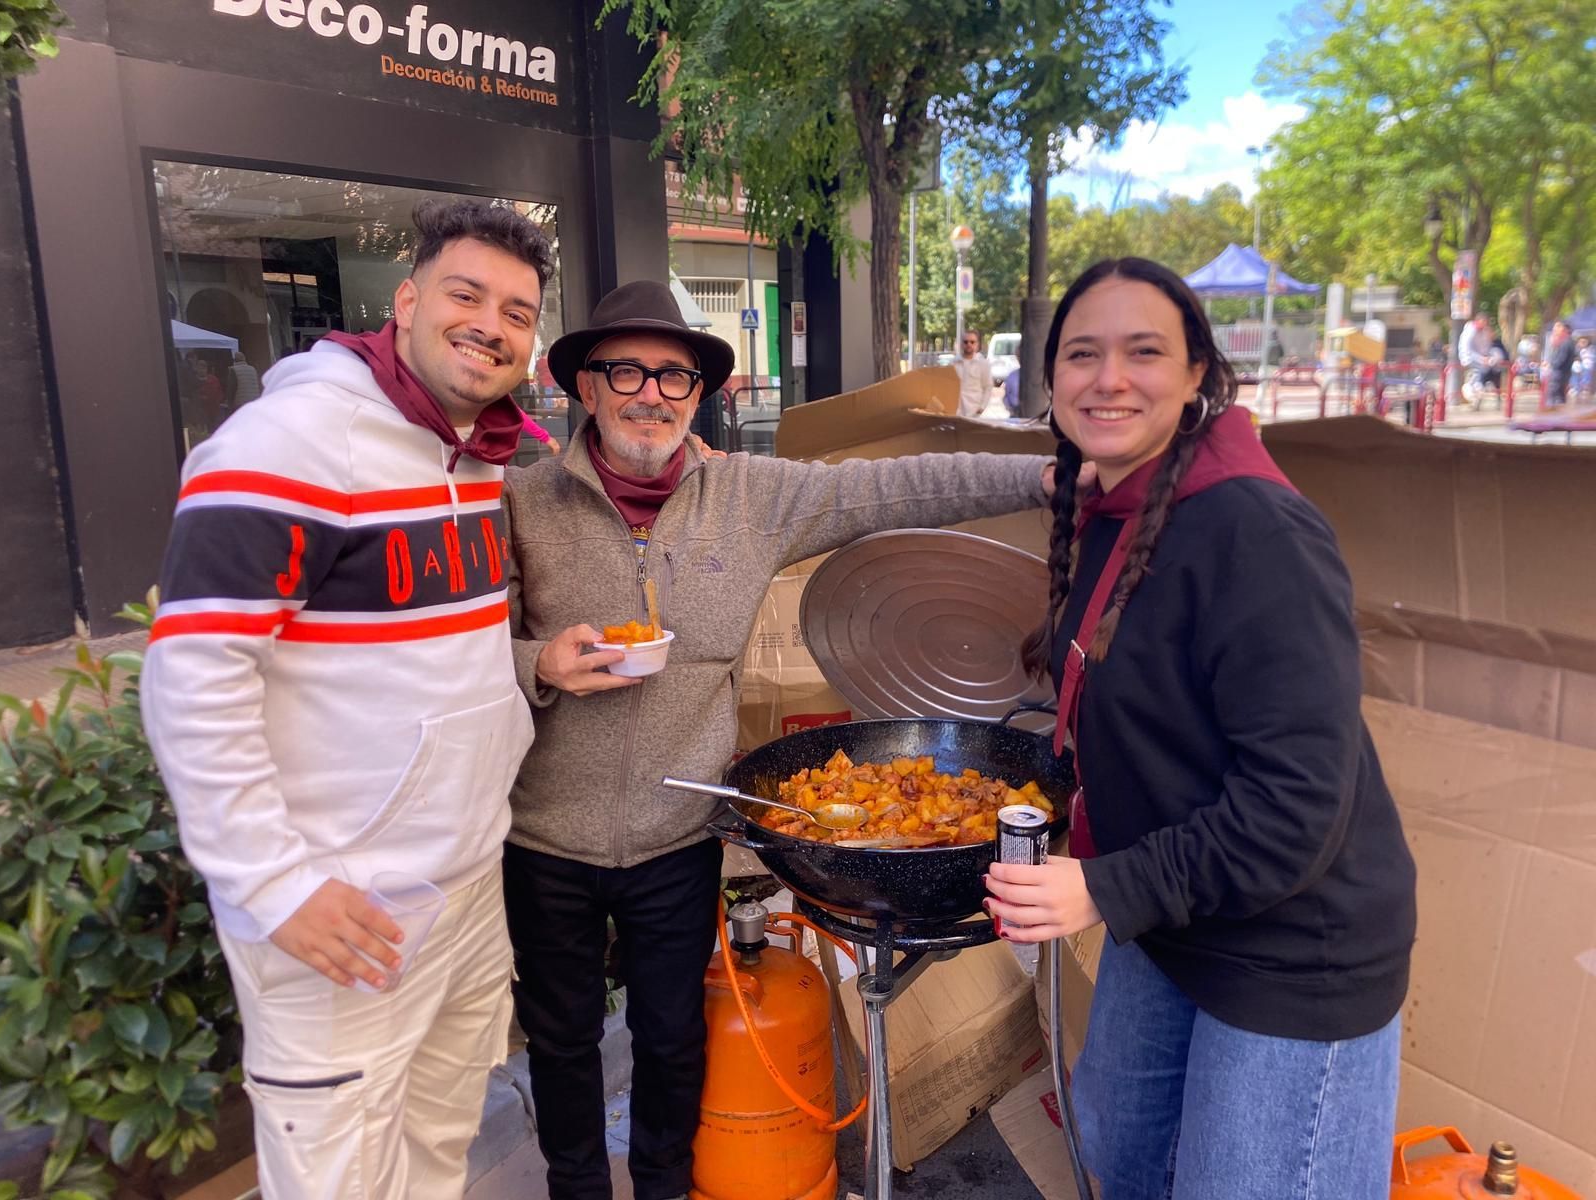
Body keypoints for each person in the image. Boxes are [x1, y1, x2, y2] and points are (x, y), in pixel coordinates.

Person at [499, 280, 1055, 1200]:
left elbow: (896, 485)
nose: (651, 394)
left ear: (700, 394)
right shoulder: (522, 504)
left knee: (673, 1035)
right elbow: (459, 651)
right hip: (545, 835)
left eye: (675, 377)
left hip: (678, 832)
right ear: (584, 389)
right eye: (625, 370)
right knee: (559, 1035)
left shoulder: (749, 498)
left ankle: (666, 1187)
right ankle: (576, 1188)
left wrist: (1044, 474)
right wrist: (537, 667)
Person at [141, 199, 555, 1200]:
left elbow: (420, 657)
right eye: (466, 294)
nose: (490, 324)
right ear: (407, 301)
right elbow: (192, 678)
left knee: (436, 1150)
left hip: (463, 889)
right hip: (340, 909)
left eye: (515, 310)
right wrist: (273, 884)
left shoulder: (476, 457)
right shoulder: (283, 445)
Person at [984, 257, 1416, 1199]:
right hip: (1180, 919)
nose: (1110, 378)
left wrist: (1102, 887)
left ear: (1196, 377)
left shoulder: (1256, 531)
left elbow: (1294, 810)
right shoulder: (1114, 502)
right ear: (1050, 378)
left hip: (1295, 951)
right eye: (1082, 354)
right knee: (1121, 1151)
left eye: (1145, 352)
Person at [952, 328, 994, 418]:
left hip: (974, 412)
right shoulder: (953, 363)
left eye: (972, 342)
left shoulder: (983, 364)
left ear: (977, 344)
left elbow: (988, 387)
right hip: (955, 412)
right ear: (961, 344)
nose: (969, 344)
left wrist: (982, 407)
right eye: (966, 342)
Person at [1458, 313, 1493, 407]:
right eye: (1483, 322)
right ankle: (1472, 396)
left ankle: (1476, 400)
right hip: (1470, 360)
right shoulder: (1470, 331)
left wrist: (1487, 357)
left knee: (1477, 381)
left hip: (1479, 361)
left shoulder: (1482, 332)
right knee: (1471, 381)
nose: (1485, 325)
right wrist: (1481, 359)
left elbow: (1484, 347)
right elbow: (1467, 349)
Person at [1543, 320, 1575, 406]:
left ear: (1564, 330)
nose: (1555, 331)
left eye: (1557, 329)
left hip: (1559, 374)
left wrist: (1550, 363)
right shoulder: (1568, 342)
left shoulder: (1566, 343)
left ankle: (1553, 416)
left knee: (1554, 397)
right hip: (1563, 374)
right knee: (1559, 397)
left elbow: (1560, 359)